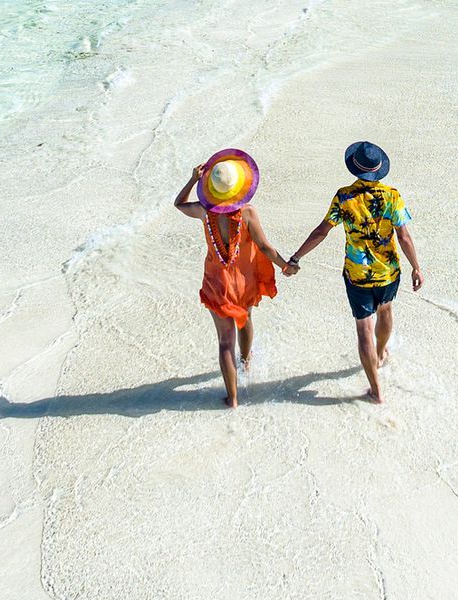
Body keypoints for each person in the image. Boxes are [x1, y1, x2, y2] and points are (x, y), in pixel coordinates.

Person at [285, 141, 425, 405]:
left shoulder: (344, 197)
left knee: (364, 330)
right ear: (379, 169)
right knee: (385, 311)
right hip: (388, 271)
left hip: (358, 274)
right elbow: (404, 236)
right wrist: (416, 267)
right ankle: (381, 353)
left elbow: (321, 232)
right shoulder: (392, 195)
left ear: (355, 169)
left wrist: (296, 258)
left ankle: (376, 390)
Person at [173, 151, 293, 408]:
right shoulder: (247, 212)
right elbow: (265, 247)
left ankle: (233, 398)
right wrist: (285, 266)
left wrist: (192, 180)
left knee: (225, 342)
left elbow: (178, 204)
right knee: (246, 319)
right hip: (244, 281)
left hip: (217, 282)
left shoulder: (204, 211)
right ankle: (246, 362)